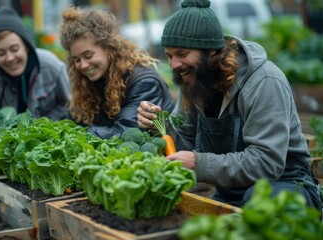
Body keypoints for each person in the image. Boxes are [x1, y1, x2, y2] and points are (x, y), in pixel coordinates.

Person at [137, 0, 322, 211]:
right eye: (169, 55)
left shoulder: (263, 81)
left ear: (211, 52)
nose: (174, 65)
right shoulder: (195, 80)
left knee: (261, 204)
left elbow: (267, 162)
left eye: (182, 54)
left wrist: (199, 163)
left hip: (286, 185)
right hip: (231, 192)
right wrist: (160, 127)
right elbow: (185, 146)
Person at [59, 6, 174, 139]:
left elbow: (125, 134)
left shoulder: (145, 82)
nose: (83, 65)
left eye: (88, 55)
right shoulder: (91, 81)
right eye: (76, 60)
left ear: (109, 47)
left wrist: (74, 136)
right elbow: (73, 121)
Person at [0, 7, 71, 120]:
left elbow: (70, 104)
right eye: (1, 53)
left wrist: (42, 126)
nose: (9, 58)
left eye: (14, 49)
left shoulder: (51, 66)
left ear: (27, 47)